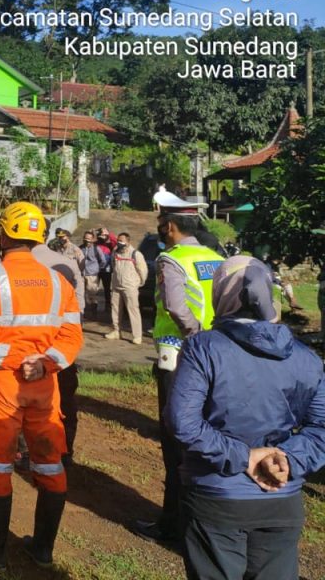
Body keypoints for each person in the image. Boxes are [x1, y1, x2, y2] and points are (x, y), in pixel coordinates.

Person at [167, 255, 325, 580]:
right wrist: (288, 460)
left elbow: (183, 422)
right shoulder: (306, 358)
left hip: (217, 497)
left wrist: (244, 457)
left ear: (220, 294)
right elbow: (320, 428)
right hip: (282, 500)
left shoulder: (202, 348)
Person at [0, 202, 83, 570]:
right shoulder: (59, 282)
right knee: (49, 464)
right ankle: (43, 550)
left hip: (2, 388)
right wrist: (43, 363)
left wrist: (13, 359)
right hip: (45, 387)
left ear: (4, 234)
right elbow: (72, 337)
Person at [133, 204, 224, 545]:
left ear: (170, 227)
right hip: (218, 356)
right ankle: (205, 521)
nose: (159, 229)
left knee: (176, 444)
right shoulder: (216, 258)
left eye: (160, 224)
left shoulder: (171, 260)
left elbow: (174, 306)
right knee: (208, 438)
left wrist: (194, 336)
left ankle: (173, 526)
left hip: (179, 358)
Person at [31, 226, 86, 468]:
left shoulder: (11, 267)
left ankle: (28, 452)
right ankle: (65, 451)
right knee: (65, 398)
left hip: (30, 347)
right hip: (63, 347)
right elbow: (80, 306)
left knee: (28, 401)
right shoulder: (68, 264)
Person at [105, 232, 149, 345]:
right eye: (118, 240)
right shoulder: (115, 252)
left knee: (133, 310)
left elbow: (143, 270)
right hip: (116, 285)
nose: (120, 242)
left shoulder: (135, 254)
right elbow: (113, 266)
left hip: (130, 286)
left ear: (128, 242)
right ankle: (116, 331)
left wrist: (138, 283)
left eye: (122, 240)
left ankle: (137, 335)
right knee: (115, 309)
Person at [80, 230, 108, 318]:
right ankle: (83, 313)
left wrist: (96, 269)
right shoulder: (80, 248)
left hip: (92, 275)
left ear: (92, 240)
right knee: (81, 295)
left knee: (92, 295)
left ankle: (93, 314)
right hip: (81, 274)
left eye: (88, 238)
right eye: (85, 238)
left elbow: (103, 261)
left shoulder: (96, 249)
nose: (86, 240)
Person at [95, 227, 117, 311]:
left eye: (104, 235)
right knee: (93, 288)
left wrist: (108, 233)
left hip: (106, 270)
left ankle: (108, 305)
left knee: (107, 289)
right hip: (96, 269)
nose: (102, 236)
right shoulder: (95, 244)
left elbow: (115, 241)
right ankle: (93, 305)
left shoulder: (110, 244)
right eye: (101, 234)